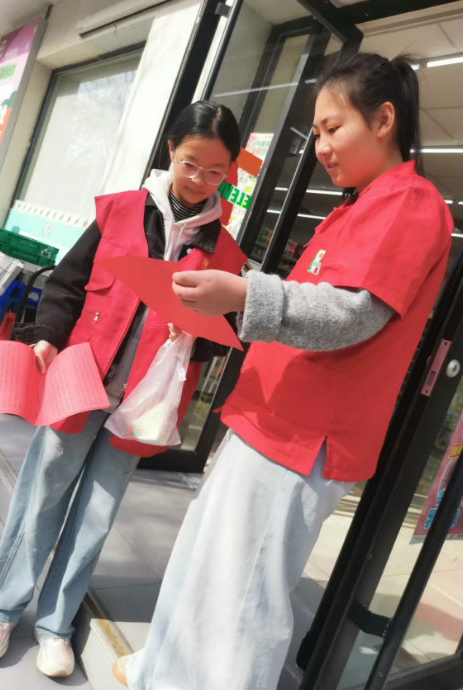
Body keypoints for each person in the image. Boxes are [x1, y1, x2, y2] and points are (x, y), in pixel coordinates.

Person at [114, 52, 454, 689]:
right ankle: (166, 672)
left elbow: (351, 314)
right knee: (211, 568)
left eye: (332, 127)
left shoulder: (409, 202)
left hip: (303, 436)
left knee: (243, 599)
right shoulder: (360, 206)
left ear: (384, 120)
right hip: (276, 421)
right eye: (317, 132)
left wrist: (244, 294)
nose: (320, 146)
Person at [0, 101, 245, 678]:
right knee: (43, 492)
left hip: (147, 401)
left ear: (230, 172)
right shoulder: (120, 210)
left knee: (97, 512)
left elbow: (224, 336)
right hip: (83, 378)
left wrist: (197, 333)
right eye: (191, 164)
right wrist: (48, 337)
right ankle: (0, 610)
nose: (200, 180)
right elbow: (67, 283)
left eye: (216, 172)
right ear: (171, 150)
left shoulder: (225, 252)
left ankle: (55, 625)